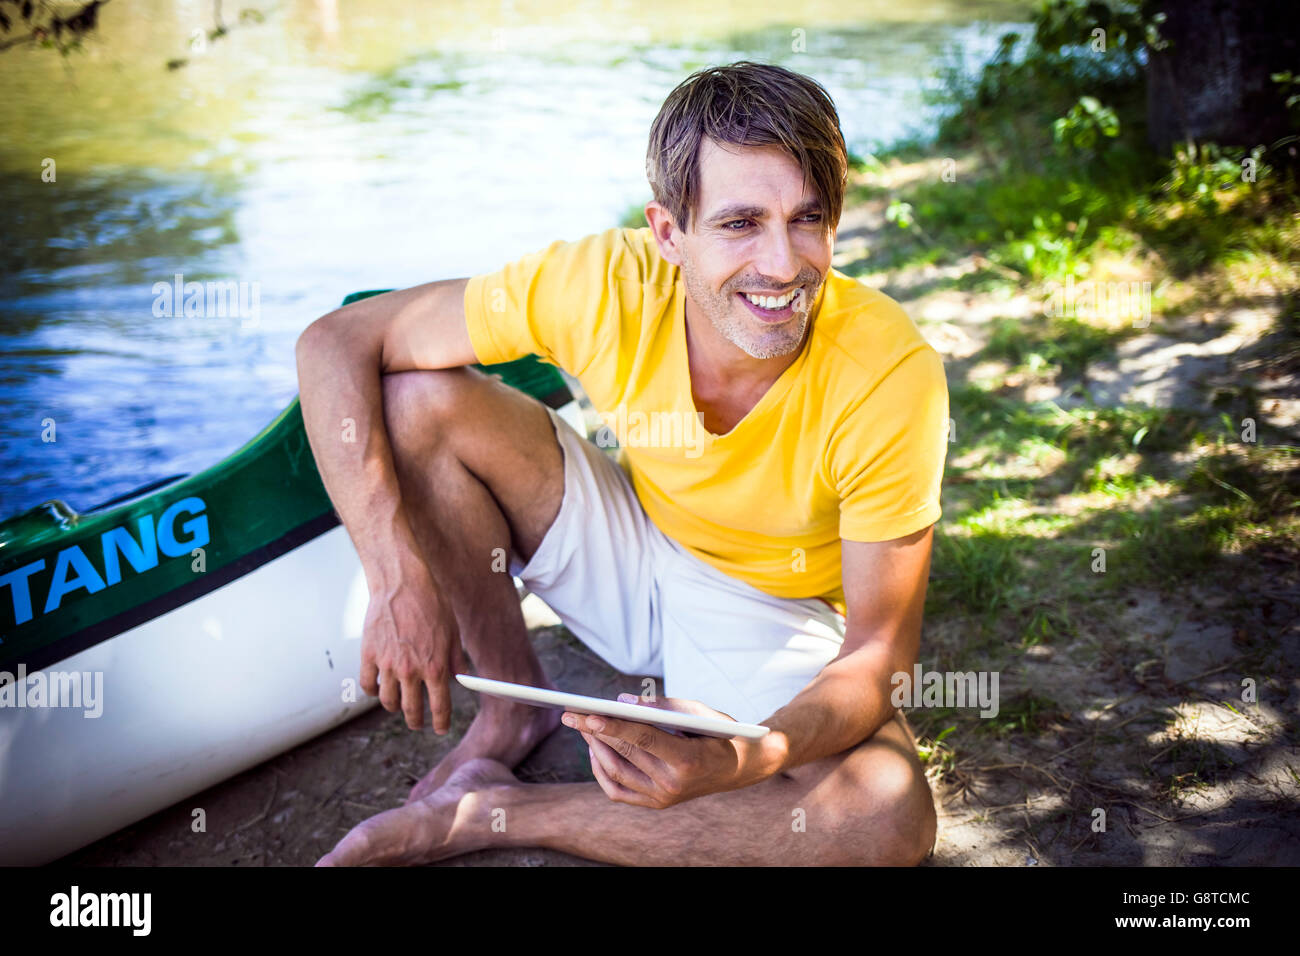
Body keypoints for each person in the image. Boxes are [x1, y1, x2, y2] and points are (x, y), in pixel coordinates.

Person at [296, 61, 949, 866]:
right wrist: (396, 574)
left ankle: (491, 813)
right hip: (635, 542)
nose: (783, 266)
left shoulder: (890, 373)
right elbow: (338, 341)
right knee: (420, 403)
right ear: (668, 234)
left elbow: (881, 655)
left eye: (806, 219)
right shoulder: (603, 282)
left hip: (766, 608)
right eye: (741, 224)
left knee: (886, 819)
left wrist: (750, 757)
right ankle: (509, 708)